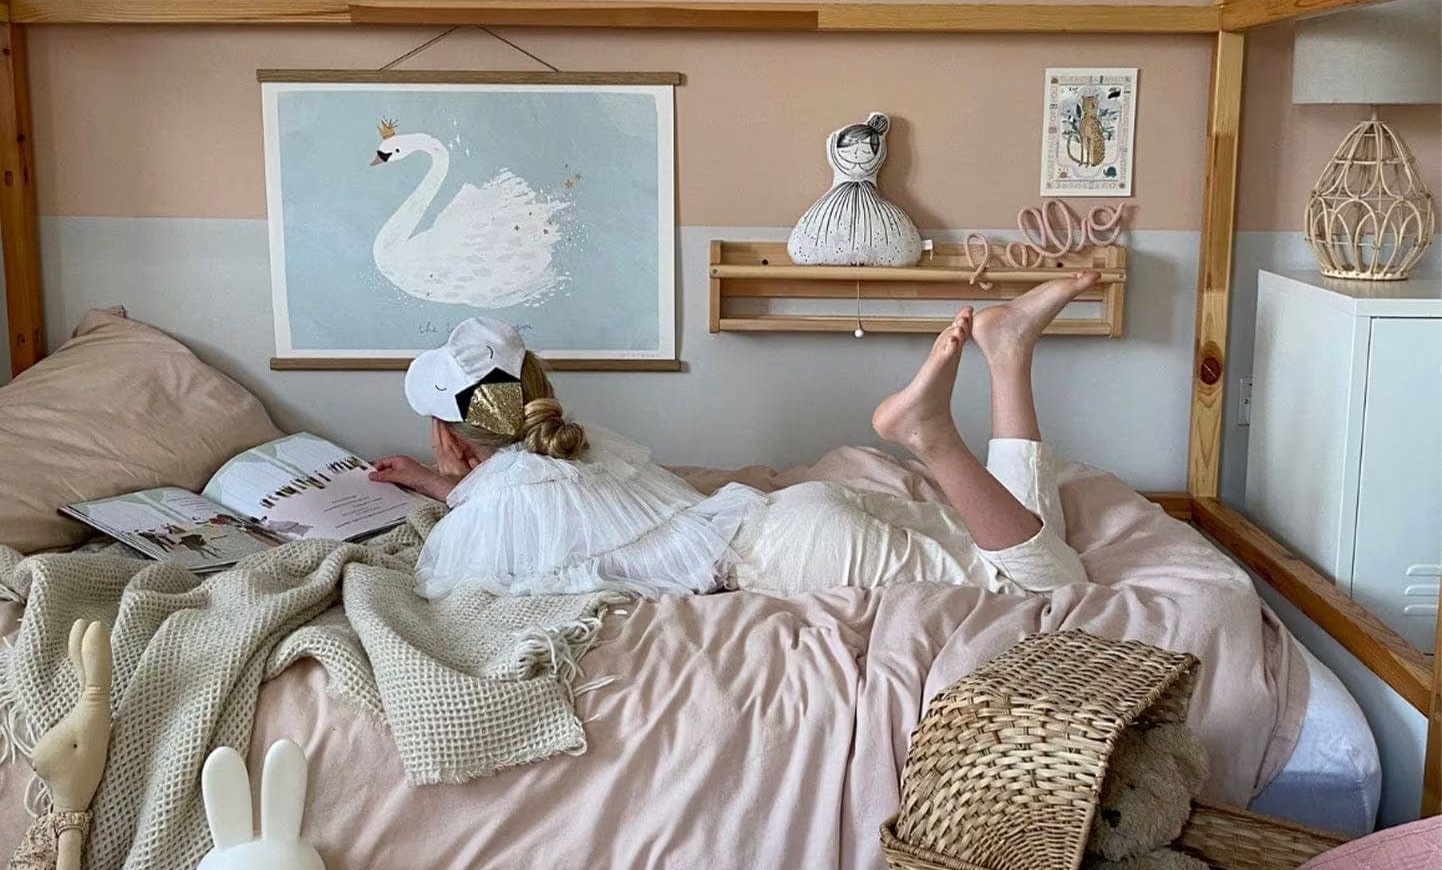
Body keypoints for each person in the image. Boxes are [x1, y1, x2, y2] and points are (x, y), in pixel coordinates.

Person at [372, 274, 1097, 600]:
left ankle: (933, 437)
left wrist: (452, 493)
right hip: (794, 513)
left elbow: (462, 576)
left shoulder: (498, 508)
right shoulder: (583, 446)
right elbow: (540, 496)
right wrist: (444, 481)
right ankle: (1009, 353)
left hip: (795, 555)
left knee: (1044, 582)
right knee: (1023, 540)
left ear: (450, 430)